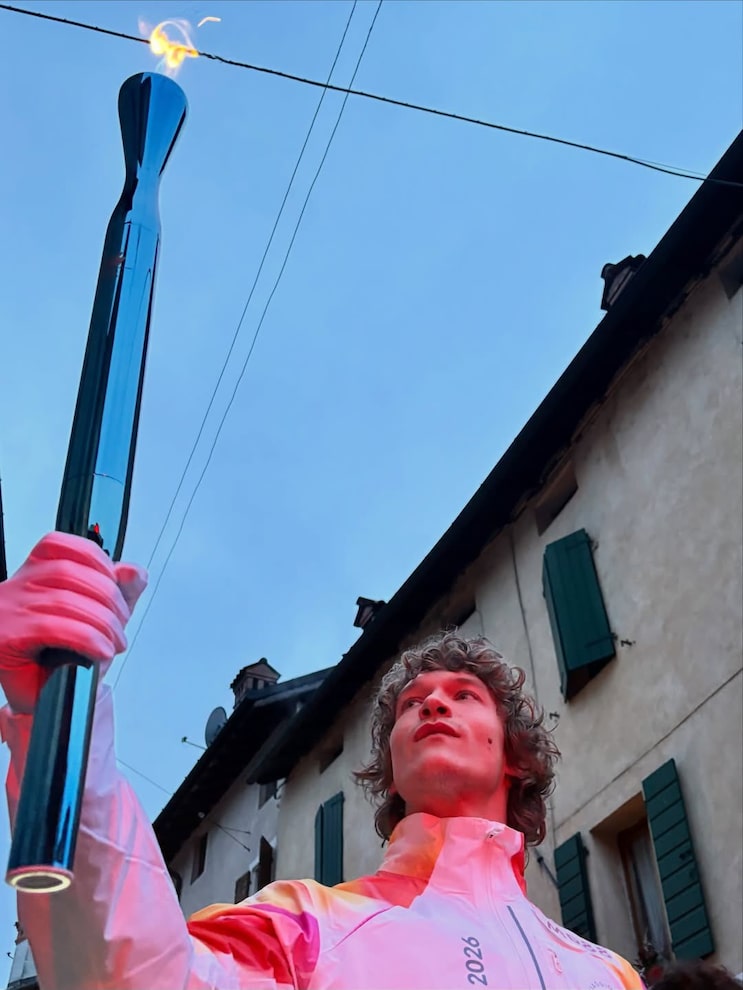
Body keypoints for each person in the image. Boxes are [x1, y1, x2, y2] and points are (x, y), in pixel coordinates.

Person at [0, 531, 644, 989]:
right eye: (412, 705)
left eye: (464, 696)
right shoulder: (303, 925)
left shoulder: (608, 974)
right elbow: (142, 977)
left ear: (515, 756)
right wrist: (60, 722)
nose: (432, 705)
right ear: (392, 772)